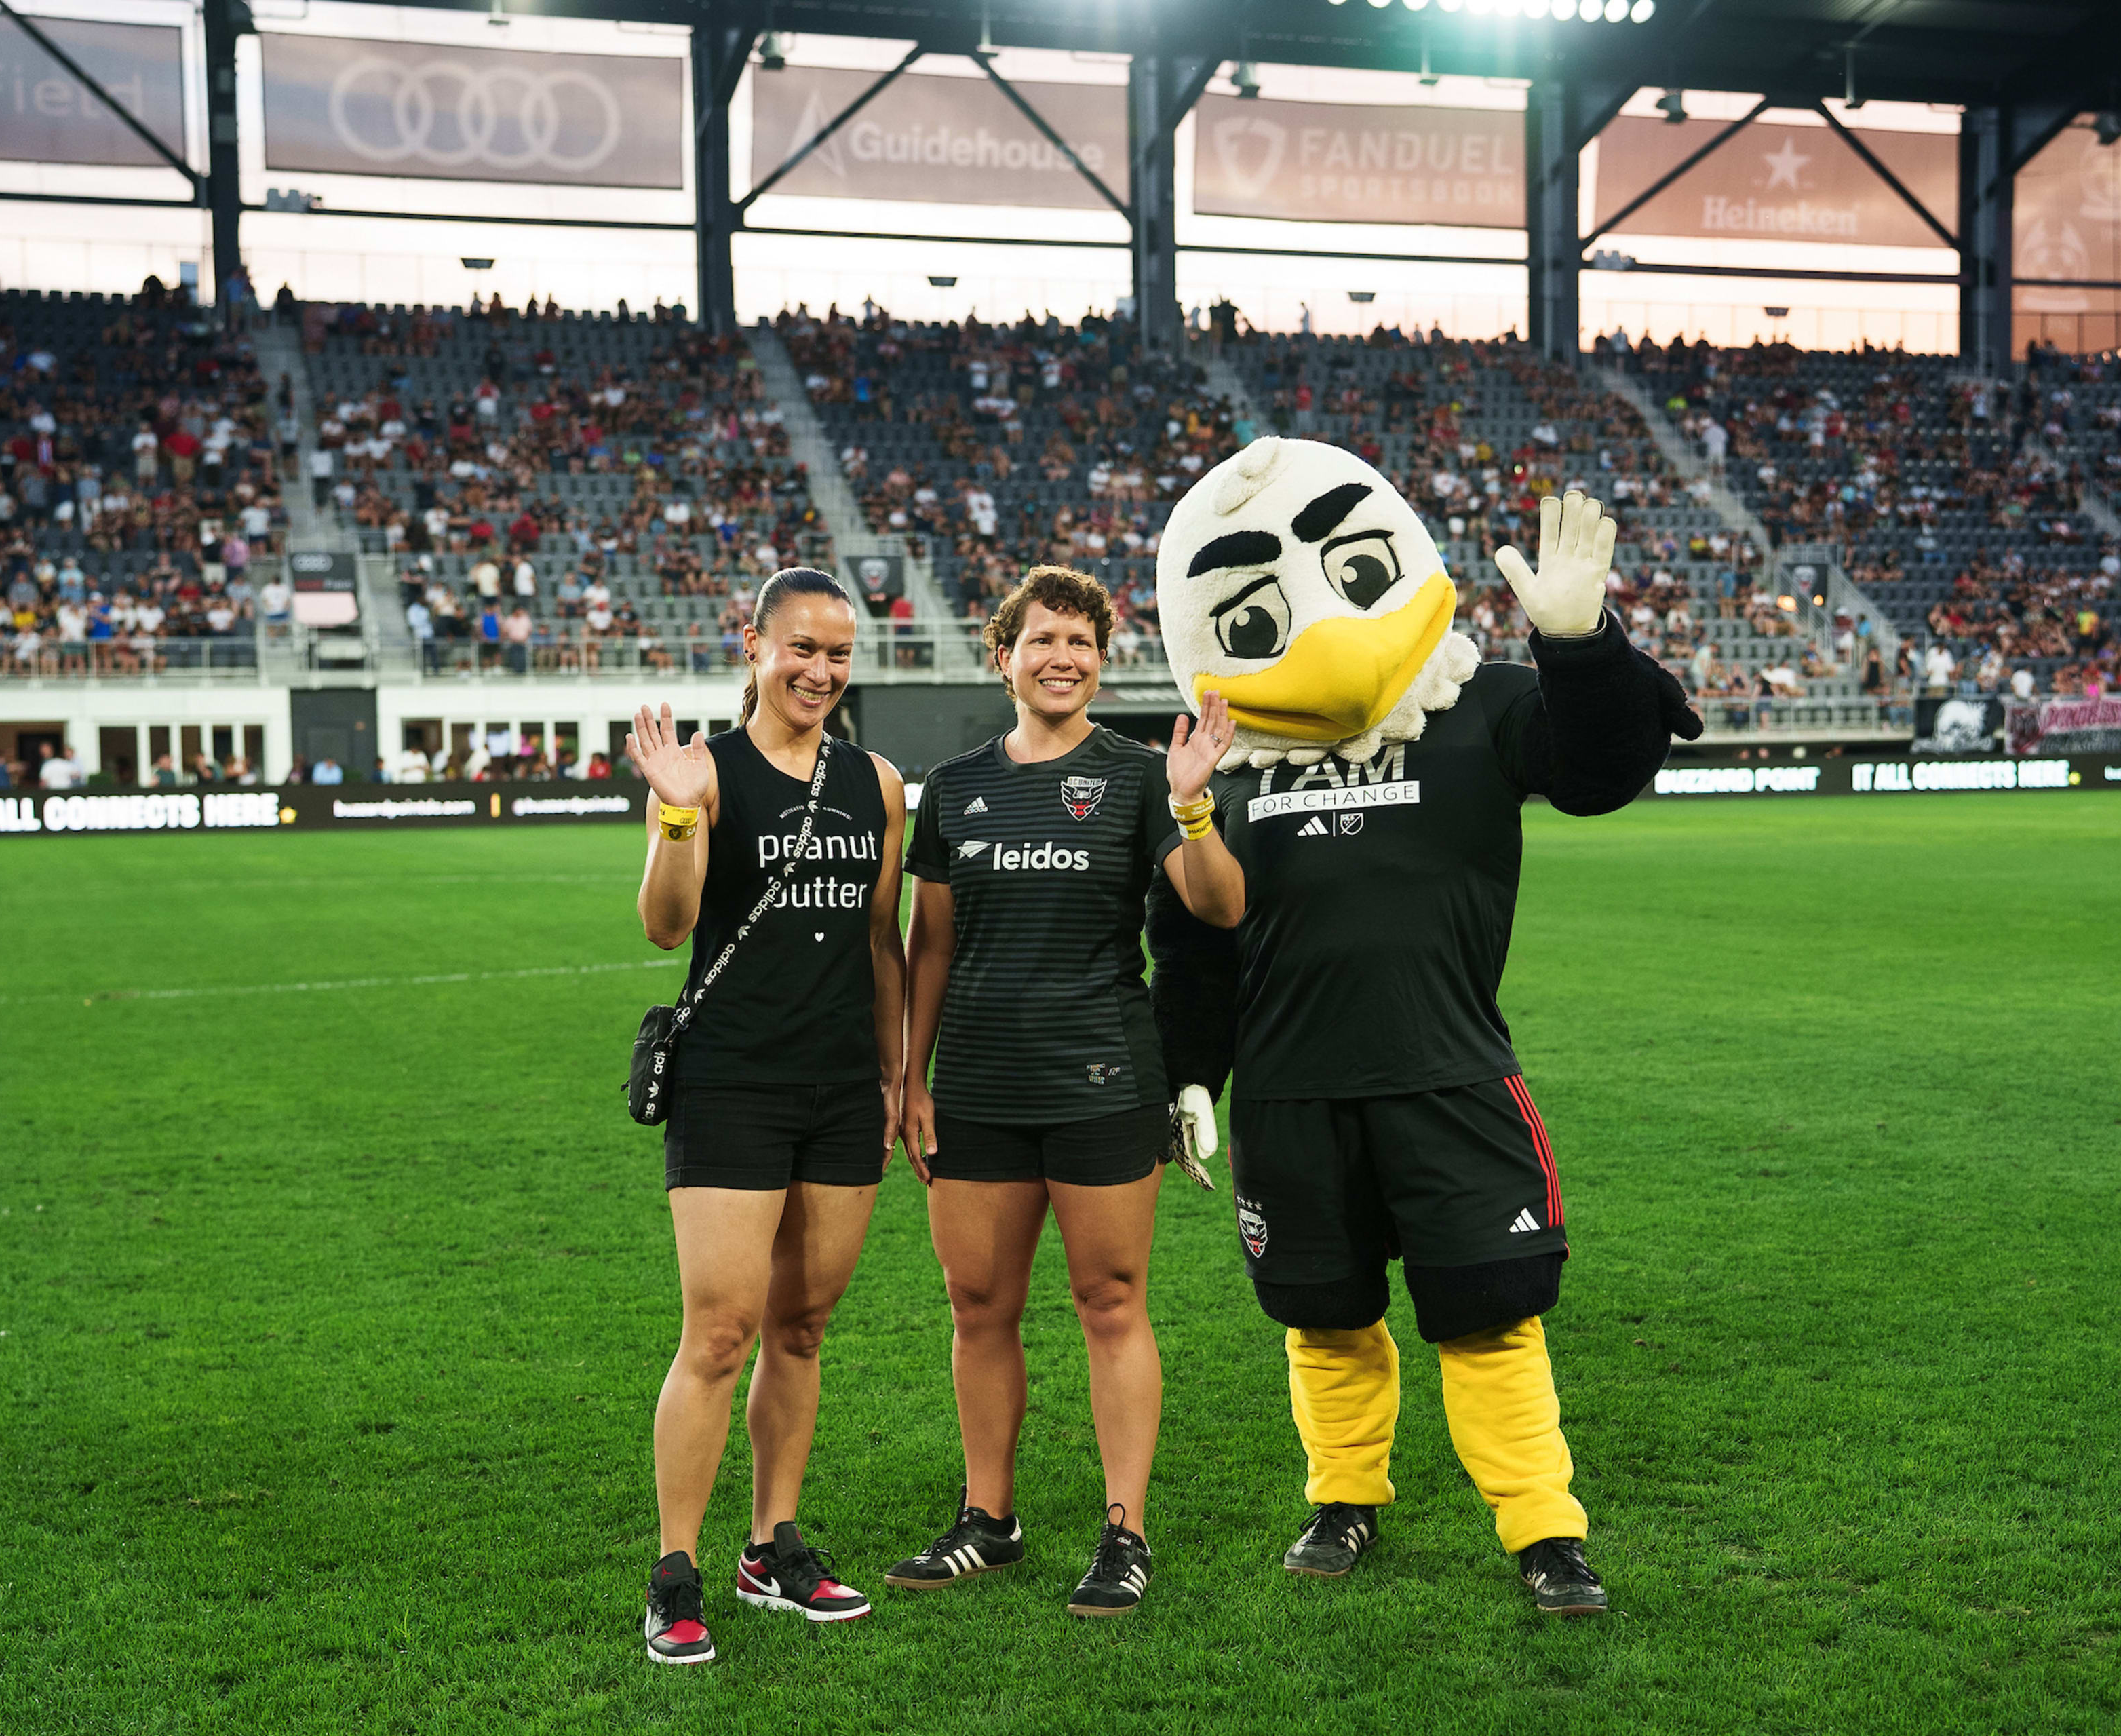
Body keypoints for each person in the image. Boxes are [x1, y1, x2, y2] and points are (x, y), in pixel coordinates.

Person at [1148, 440, 1695, 1621]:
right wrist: (1189, 1071)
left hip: (1450, 1074)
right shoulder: (1219, 760)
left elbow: (1602, 769)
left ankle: (1546, 1531)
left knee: (1492, 1314)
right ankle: (1343, 1499)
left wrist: (1581, 645)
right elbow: (1192, 938)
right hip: (1290, 1090)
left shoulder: (1478, 701)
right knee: (1324, 1318)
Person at [886, 567, 1244, 1619]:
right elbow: (929, 944)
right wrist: (910, 1077)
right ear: (1004, 657)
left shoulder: (1140, 776)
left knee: (1112, 1302)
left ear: (1101, 661)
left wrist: (1194, 802)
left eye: (1082, 642)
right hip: (977, 1087)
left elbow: (1220, 906)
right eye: (1043, 640)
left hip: (1103, 1080)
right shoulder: (956, 786)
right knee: (977, 1305)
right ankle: (988, 1519)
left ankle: (1125, 1533)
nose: (1064, 658)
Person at [625, 567, 909, 1667]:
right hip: (733, 1082)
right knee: (718, 1334)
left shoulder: (877, 783)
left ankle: (771, 1545)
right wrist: (676, 812)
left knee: (801, 1329)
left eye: (839, 655)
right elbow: (665, 924)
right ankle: (675, 1572)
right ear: (754, 646)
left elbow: (881, 940)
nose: (820, 672)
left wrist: (897, 1074)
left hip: (841, 1093)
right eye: (802, 649)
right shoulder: (706, 771)